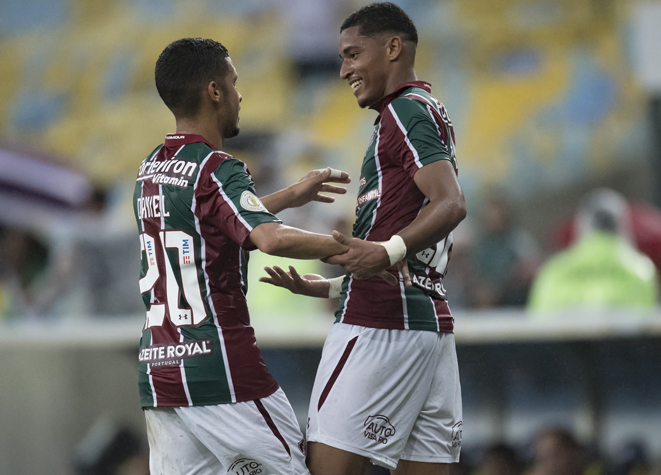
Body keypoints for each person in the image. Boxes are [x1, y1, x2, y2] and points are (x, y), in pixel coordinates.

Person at [134, 37, 389, 475]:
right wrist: (357, 251)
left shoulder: (151, 168)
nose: (239, 95)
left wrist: (288, 196)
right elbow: (267, 239)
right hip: (223, 370)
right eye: (233, 83)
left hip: (162, 374)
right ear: (214, 91)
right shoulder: (218, 166)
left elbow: (210, 220)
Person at [261, 4, 466, 474]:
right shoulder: (424, 111)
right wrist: (337, 285)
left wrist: (384, 253)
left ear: (393, 48)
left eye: (353, 54)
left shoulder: (404, 111)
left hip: (379, 324)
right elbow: (413, 237)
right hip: (428, 326)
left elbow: (451, 204)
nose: (343, 70)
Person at [528, 188, 658, 312]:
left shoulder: (553, 271)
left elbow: (535, 321)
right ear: (622, 225)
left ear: (581, 225)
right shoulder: (640, 270)